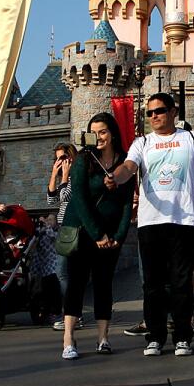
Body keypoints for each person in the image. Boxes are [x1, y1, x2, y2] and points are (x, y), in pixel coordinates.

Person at [106, 93, 194, 357]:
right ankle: (155, 336)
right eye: (150, 113)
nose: (154, 116)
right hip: (151, 221)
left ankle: (182, 337)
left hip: (185, 219)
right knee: (152, 283)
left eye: (160, 111)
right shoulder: (142, 142)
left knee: (181, 281)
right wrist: (115, 177)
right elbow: (129, 167)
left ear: (173, 111)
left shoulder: (191, 139)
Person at [59, 113, 133, 360]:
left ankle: (103, 338)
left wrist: (119, 235)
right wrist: (97, 234)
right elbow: (79, 200)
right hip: (83, 232)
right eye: (94, 132)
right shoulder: (83, 160)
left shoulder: (125, 162)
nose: (99, 137)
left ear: (112, 132)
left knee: (104, 284)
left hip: (110, 236)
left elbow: (126, 203)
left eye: (103, 131)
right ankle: (69, 338)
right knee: (77, 283)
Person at [46, 143, 76, 331]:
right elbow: (52, 200)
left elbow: (65, 197)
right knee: (62, 272)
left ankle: (70, 314)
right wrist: (53, 175)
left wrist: (64, 175)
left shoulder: (76, 176)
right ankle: (68, 313)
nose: (61, 162)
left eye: (64, 157)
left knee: (65, 272)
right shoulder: (64, 177)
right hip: (64, 229)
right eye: (58, 159)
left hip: (74, 227)